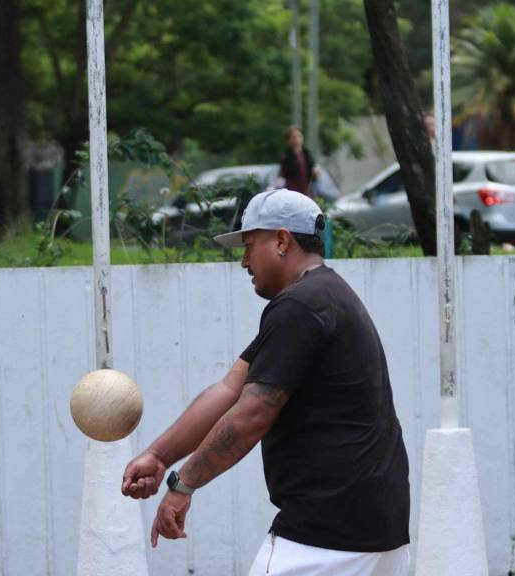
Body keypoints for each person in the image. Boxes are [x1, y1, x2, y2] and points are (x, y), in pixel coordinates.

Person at [121, 189, 411, 576]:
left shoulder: (300, 307)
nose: (243, 261)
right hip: (377, 531)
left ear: (281, 240)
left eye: (248, 245)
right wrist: (158, 457)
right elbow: (229, 391)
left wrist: (183, 485)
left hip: (324, 539)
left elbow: (251, 414)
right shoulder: (324, 296)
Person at [278, 126, 321, 198]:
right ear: (288, 141)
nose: (297, 139)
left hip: (307, 193)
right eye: (294, 137)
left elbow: (313, 177)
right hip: (292, 194)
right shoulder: (285, 158)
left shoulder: (307, 155)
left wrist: (315, 172)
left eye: (299, 136)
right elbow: (282, 178)